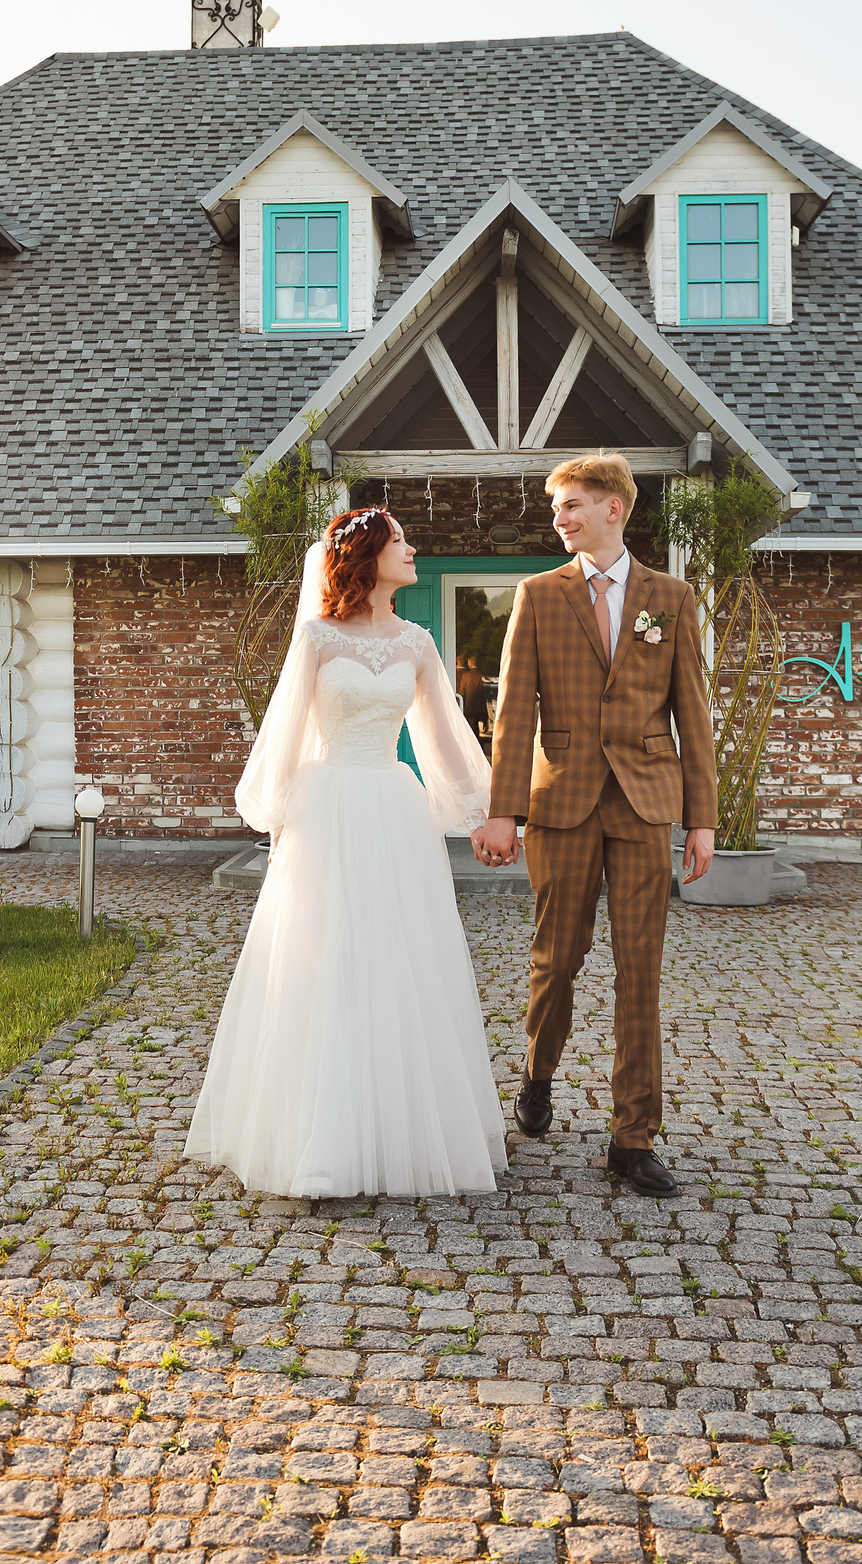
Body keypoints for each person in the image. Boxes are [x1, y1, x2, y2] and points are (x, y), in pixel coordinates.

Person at [186, 507, 508, 1199]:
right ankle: (321, 1140)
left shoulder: (418, 643)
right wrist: (279, 819)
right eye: (400, 541)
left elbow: (442, 740)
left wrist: (482, 817)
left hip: (393, 810)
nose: (413, 550)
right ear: (367, 556)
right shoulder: (317, 638)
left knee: (397, 958)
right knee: (326, 956)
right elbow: (288, 734)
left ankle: (394, 1128)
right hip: (327, 809)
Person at [468, 453, 718, 1198]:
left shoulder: (671, 597)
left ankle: (632, 1138)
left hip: (645, 802)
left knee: (641, 970)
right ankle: (538, 1073)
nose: (560, 518)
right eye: (556, 508)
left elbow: (693, 713)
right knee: (558, 957)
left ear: (615, 508)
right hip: (563, 801)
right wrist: (503, 809)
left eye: (572, 504)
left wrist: (702, 819)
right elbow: (514, 710)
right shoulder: (539, 595)